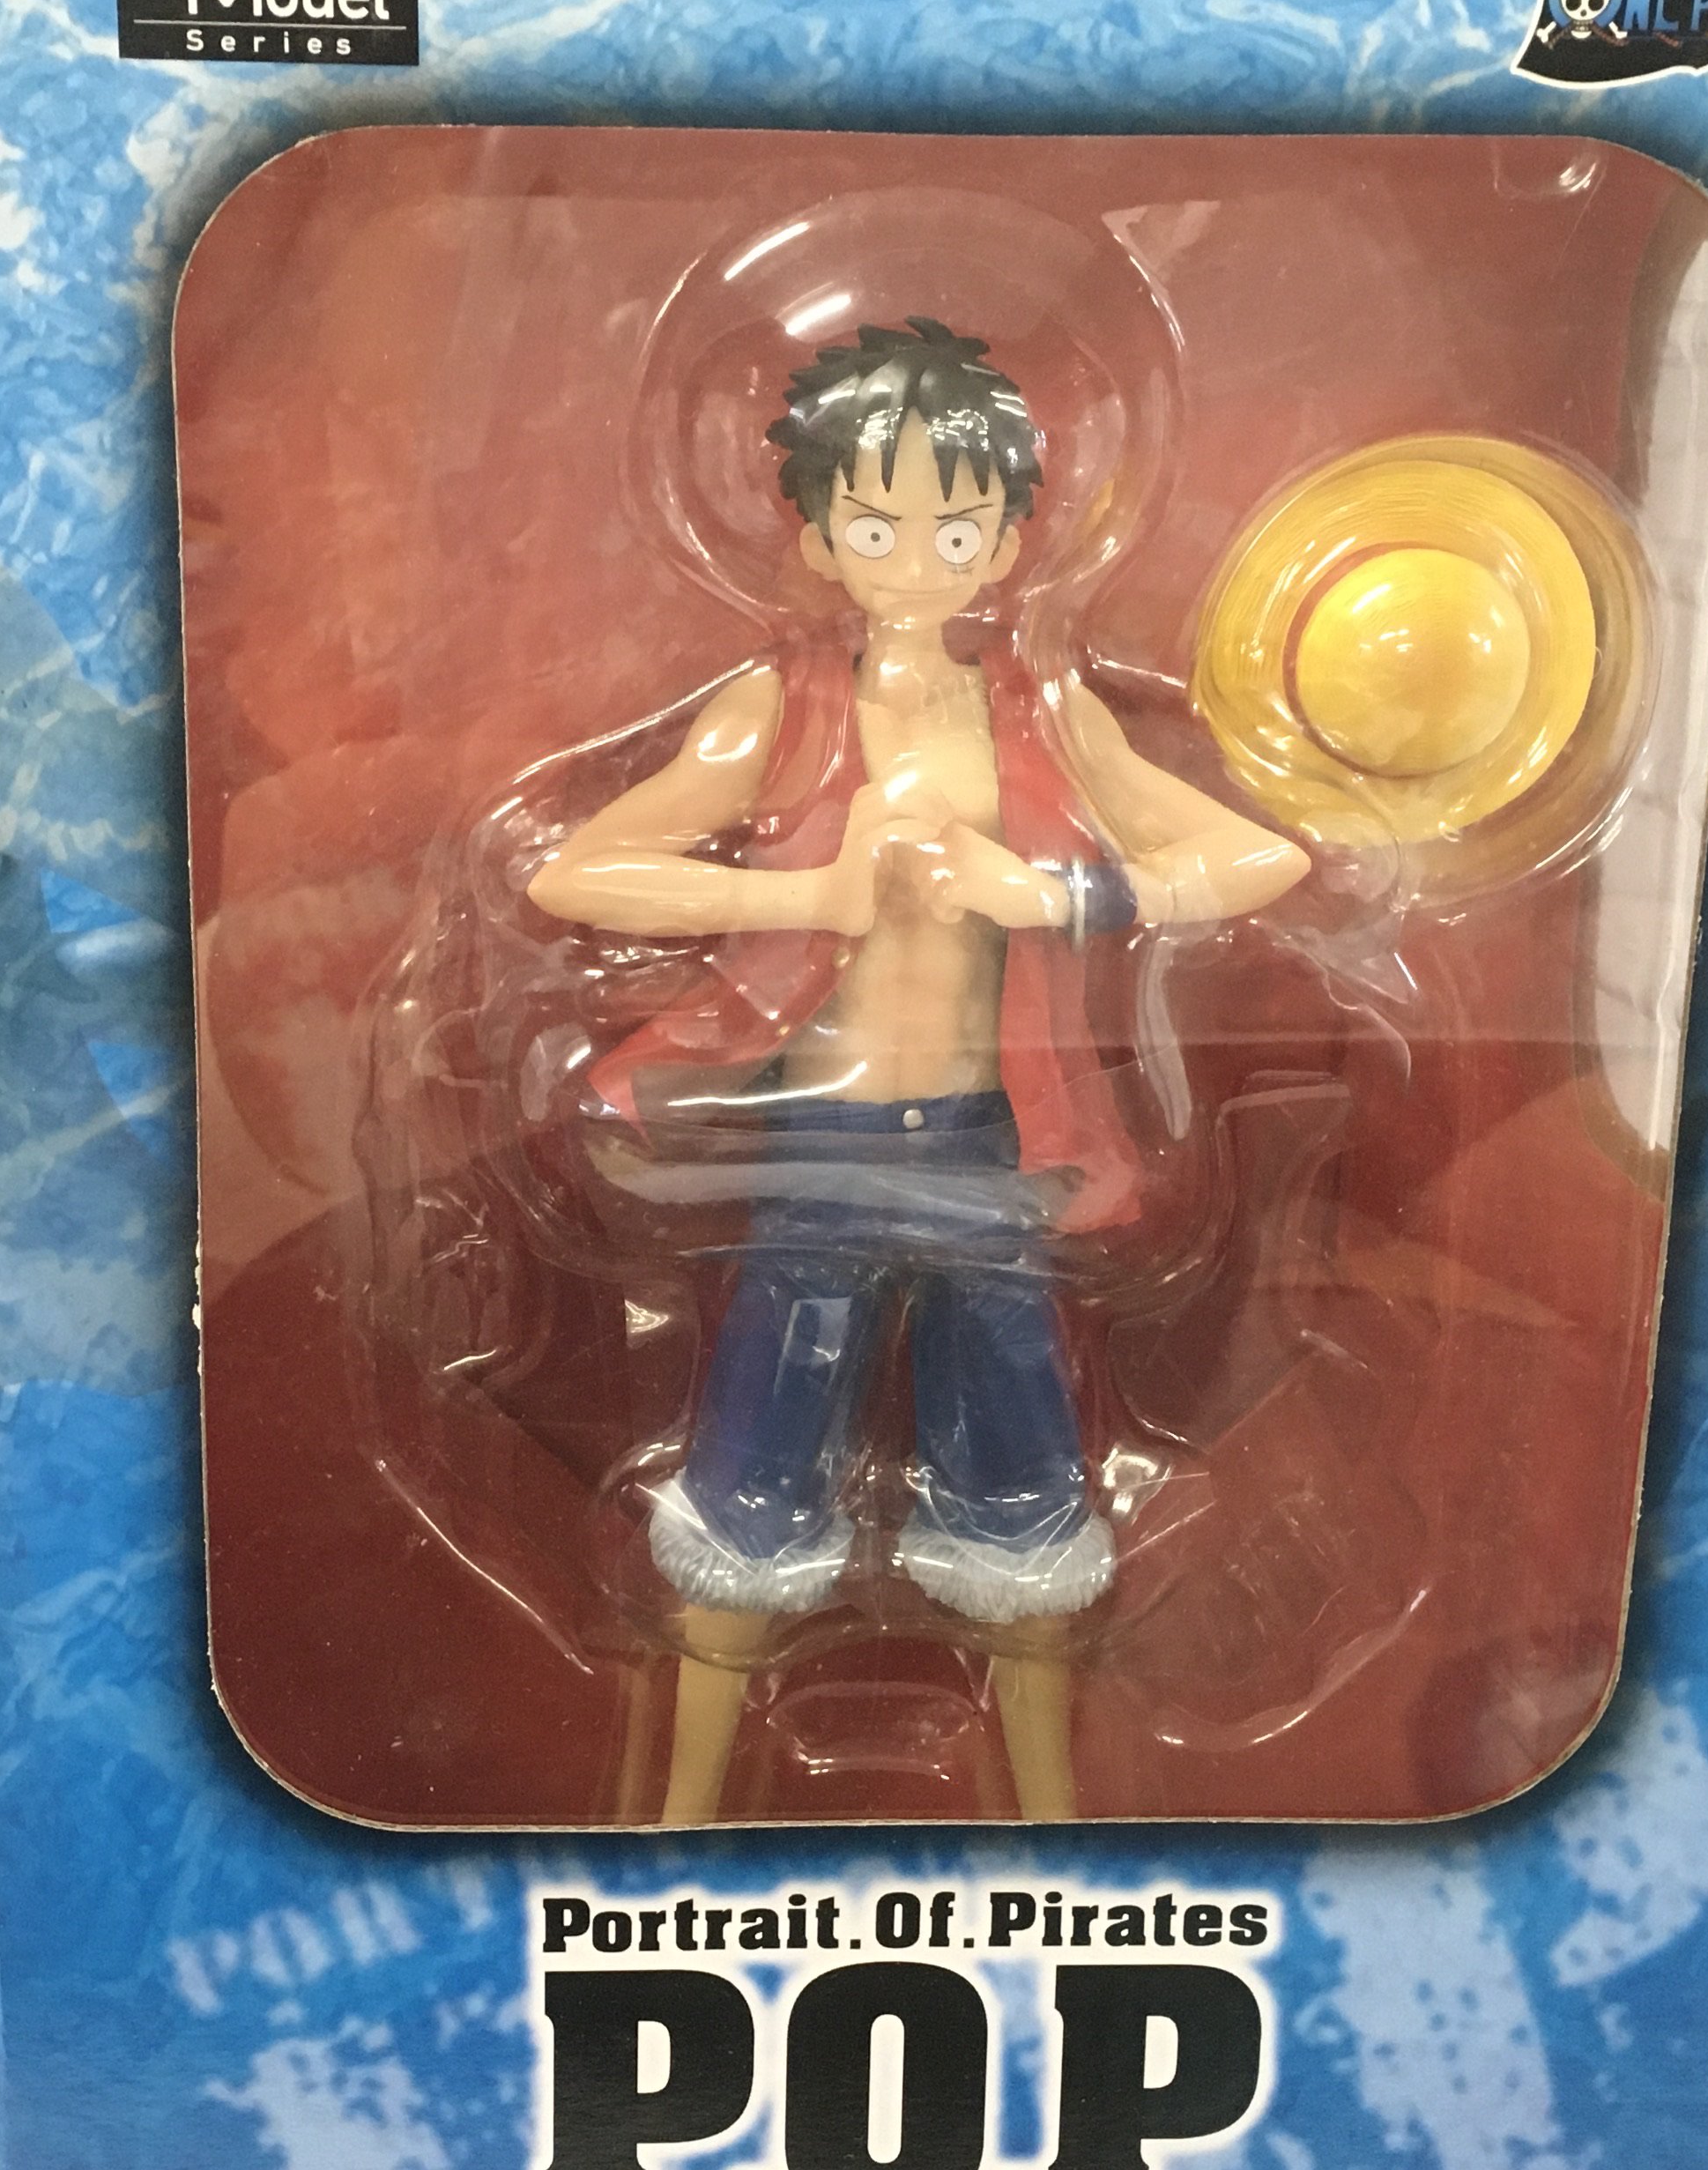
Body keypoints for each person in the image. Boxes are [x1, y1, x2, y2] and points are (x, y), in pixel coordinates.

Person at [529, 319, 1306, 1820]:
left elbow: (1253, 856)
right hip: (815, 1151)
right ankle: (679, 1821)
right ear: (819, 536)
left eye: (954, 526)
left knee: (1027, 1512)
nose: (914, 557)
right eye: (875, 524)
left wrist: (1053, 895)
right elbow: (580, 873)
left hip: (986, 1153)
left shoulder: (1046, 716)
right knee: (743, 1505)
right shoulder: (778, 710)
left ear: (1006, 540)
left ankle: (1052, 1821)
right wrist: (807, 895)